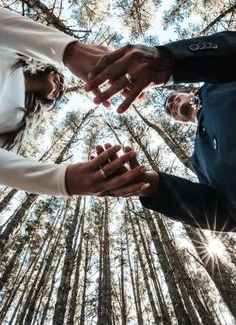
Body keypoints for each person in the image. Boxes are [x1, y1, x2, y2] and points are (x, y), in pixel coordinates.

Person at [85, 31, 236, 231]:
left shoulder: (218, 81)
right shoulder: (199, 159)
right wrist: (155, 188)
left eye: (174, 98)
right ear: (179, 122)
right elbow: (221, 213)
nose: (172, 105)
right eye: (169, 110)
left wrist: (169, 59)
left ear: (190, 92)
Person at [0, 8, 149, 198]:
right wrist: (69, 51)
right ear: (48, 68)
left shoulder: (17, 120)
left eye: (59, 93)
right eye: (59, 79)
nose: (59, 87)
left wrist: (63, 180)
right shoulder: (12, 53)